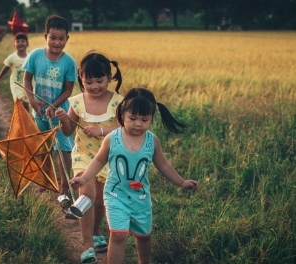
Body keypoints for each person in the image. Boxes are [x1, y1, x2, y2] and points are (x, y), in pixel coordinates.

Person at [69, 88, 199, 264]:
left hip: (141, 199)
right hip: (116, 196)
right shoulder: (112, 138)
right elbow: (98, 161)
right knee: (119, 235)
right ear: (123, 114)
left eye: (144, 120)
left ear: (152, 119)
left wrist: (181, 182)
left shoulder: (151, 141)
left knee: (144, 237)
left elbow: (164, 165)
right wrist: (84, 178)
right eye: (133, 118)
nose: (138, 124)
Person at [55, 51, 123, 264]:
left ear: (109, 77)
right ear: (80, 79)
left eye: (99, 81)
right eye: (88, 81)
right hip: (84, 156)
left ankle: (95, 233)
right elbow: (67, 132)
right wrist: (63, 120)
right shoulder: (76, 102)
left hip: (108, 158)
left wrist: (101, 131)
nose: (94, 86)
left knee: (101, 203)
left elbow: (125, 128)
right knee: (87, 196)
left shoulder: (118, 102)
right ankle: (87, 247)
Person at [22, 15, 77, 197]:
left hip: (60, 113)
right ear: (46, 36)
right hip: (39, 112)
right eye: (52, 37)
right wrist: (32, 100)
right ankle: (45, 179)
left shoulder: (68, 62)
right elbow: (27, 80)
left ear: (67, 39)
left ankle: (64, 186)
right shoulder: (35, 55)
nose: (56, 42)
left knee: (64, 149)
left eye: (61, 38)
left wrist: (53, 106)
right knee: (43, 146)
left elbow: (68, 91)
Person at [0, 32, 30, 111]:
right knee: (19, 102)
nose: (20, 43)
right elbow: (6, 68)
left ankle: (26, 120)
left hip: (27, 85)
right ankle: (20, 120)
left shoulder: (30, 57)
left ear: (27, 43)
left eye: (23, 41)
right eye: (18, 41)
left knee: (26, 104)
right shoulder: (12, 57)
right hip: (16, 84)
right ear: (14, 44)